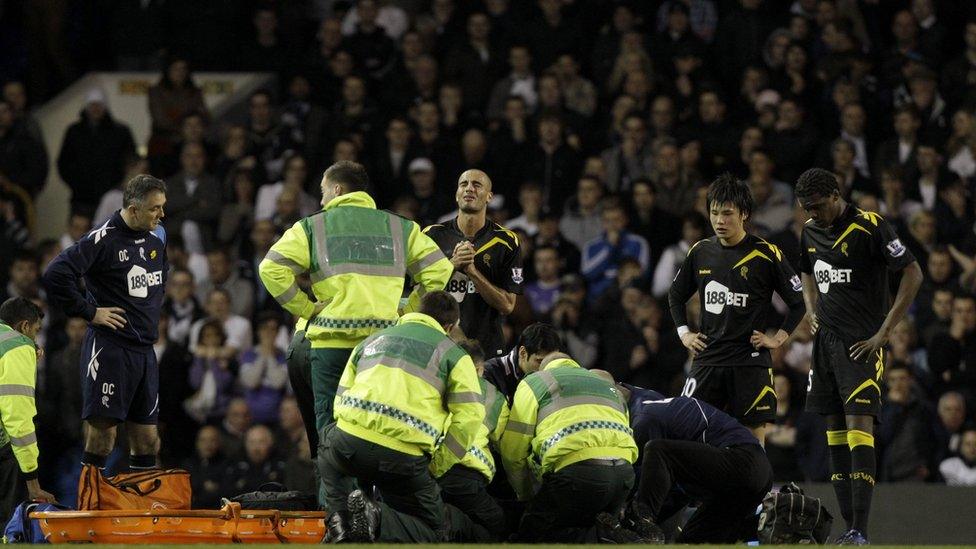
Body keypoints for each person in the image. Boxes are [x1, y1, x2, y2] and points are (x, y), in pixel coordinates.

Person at [257, 160, 452, 486]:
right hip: (383, 350)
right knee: (376, 431)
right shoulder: (399, 227)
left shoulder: (313, 226)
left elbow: (271, 269)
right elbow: (439, 272)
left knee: (331, 434)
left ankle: (337, 519)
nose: (320, 201)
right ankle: (375, 519)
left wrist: (305, 307)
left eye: (322, 193)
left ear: (336, 189)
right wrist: (407, 311)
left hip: (332, 347)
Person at [795, 168, 923, 544]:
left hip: (860, 344)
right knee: (833, 434)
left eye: (817, 207)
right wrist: (810, 306)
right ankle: (849, 530)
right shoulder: (809, 231)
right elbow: (806, 269)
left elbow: (913, 273)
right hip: (825, 346)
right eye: (806, 209)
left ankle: (861, 530)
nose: (812, 215)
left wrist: (885, 331)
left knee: (858, 429)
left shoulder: (871, 227)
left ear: (836, 194)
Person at [318, 291, 486, 543]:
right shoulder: (455, 356)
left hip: (348, 444)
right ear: (450, 327)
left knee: (327, 446)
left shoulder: (372, 340)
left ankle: (340, 524)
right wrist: (436, 466)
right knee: (436, 531)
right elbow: (469, 418)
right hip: (403, 459)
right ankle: (376, 516)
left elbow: (341, 397)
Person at [42, 175, 169, 476]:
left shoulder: (159, 234)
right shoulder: (103, 238)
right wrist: (89, 311)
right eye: (154, 209)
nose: (161, 215)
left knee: (149, 441)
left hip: (144, 352)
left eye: (162, 207)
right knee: (102, 438)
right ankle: (90, 508)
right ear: (133, 209)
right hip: (111, 349)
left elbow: (160, 275)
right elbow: (55, 274)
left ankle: (142, 513)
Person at [668, 174, 805, 443]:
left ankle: (756, 486)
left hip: (749, 362)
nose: (720, 220)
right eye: (714, 213)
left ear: (744, 214)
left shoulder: (766, 253)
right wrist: (684, 333)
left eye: (727, 213)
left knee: (752, 439)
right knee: (687, 431)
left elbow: (798, 301)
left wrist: (778, 338)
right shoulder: (700, 251)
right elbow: (675, 296)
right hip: (708, 359)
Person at [499, 352, 641, 543]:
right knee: (585, 526)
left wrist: (526, 494)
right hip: (623, 475)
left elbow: (513, 449)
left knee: (532, 534)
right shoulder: (607, 384)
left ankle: (604, 537)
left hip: (575, 473)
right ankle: (610, 536)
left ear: (545, 367)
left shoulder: (536, 382)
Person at [615, 380, 772, 544]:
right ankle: (772, 527)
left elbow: (648, 479)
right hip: (748, 477)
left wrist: (633, 519)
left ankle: (641, 525)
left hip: (743, 459)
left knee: (657, 450)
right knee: (689, 542)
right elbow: (666, 489)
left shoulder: (644, 418)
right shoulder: (646, 399)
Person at [424, 169, 523, 357]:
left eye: (477, 185)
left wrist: (472, 271)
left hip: (487, 348)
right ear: (457, 195)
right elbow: (419, 293)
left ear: (489, 197)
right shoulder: (431, 236)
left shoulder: (507, 242)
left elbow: (508, 305)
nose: (469, 188)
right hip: (437, 344)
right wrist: (452, 264)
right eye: (464, 184)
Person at [435, 338, 508, 539]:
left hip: (427, 466)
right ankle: (453, 521)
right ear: (479, 368)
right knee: (496, 525)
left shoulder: (436, 377)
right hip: (467, 474)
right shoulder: (493, 395)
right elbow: (506, 446)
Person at [0, 297, 55, 524]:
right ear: (24, 326)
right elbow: (17, 416)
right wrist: (32, 481)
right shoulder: (18, 345)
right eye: (35, 331)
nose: (36, 338)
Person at [482, 322, 562, 404]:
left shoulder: (556, 374)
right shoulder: (489, 374)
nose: (546, 368)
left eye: (551, 362)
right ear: (523, 353)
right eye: (540, 361)